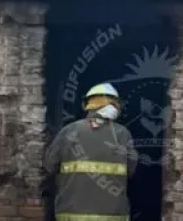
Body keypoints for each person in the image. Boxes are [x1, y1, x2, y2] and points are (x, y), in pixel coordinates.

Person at [44, 82, 138, 220]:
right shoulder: (123, 134)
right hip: (112, 214)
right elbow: (131, 170)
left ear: (87, 105)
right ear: (115, 105)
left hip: (71, 213)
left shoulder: (68, 132)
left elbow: (49, 166)